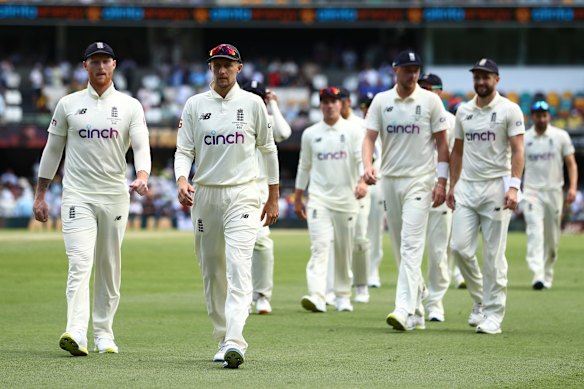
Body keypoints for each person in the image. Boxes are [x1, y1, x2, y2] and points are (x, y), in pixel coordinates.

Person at [32, 42, 151, 356]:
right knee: (79, 263)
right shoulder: (68, 104)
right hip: (77, 196)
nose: (100, 67)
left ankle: (103, 334)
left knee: (108, 267)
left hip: (114, 195)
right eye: (94, 62)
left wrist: (142, 175)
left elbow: (140, 144)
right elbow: (52, 151)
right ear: (84, 66)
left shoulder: (130, 105)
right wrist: (40, 195)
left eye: (105, 61)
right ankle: (75, 332)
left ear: (114, 65)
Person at [174, 44, 279, 369]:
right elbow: (184, 151)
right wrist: (181, 179)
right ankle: (222, 337)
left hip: (244, 194)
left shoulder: (252, 104)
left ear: (239, 68)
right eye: (217, 65)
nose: (222, 70)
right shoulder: (195, 105)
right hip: (206, 195)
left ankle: (235, 340)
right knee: (213, 270)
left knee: (238, 265)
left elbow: (268, 148)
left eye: (228, 65)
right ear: (211, 68)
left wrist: (273, 196)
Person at [362, 50, 450, 331]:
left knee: (412, 244)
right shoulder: (381, 101)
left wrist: (441, 180)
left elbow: (443, 145)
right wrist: (367, 166)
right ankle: (418, 304)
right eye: (407, 69)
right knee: (400, 247)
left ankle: (403, 308)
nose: (412, 74)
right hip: (390, 180)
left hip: (420, 181)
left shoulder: (430, 101)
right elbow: (369, 138)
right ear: (394, 70)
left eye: (416, 70)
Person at [447, 58, 525, 335]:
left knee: (493, 255)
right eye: (477, 77)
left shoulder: (509, 109)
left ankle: (493, 315)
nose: (481, 82)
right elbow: (457, 150)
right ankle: (480, 299)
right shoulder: (464, 111)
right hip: (467, 186)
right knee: (458, 248)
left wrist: (514, 186)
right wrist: (451, 185)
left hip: (496, 186)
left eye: (486, 77)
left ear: (497, 80)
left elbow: (518, 150)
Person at [295, 86, 365, 313]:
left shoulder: (353, 131)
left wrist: (363, 181)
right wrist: (298, 197)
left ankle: (343, 294)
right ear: (320, 105)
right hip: (319, 199)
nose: (329, 105)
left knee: (344, 250)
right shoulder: (310, 133)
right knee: (319, 247)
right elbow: (304, 166)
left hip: (346, 198)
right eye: (325, 101)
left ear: (341, 104)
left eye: (333, 101)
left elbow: (360, 159)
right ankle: (317, 295)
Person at [417, 73, 468, 322]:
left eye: (431, 88)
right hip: (411, 189)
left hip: (440, 192)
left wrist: (452, 187)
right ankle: (416, 295)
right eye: (422, 87)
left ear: (440, 92)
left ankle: (435, 302)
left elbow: (459, 157)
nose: (426, 92)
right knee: (409, 250)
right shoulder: (409, 117)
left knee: (438, 252)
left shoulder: (451, 121)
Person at [241, 80, 292, 314]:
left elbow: (284, 132)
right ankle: (242, 295)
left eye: (259, 96)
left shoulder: (268, 121)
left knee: (261, 242)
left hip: (260, 190)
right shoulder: (236, 119)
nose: (255, 100)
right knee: (236, 245)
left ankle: (261, 295)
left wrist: (273, 105)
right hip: (235, 188)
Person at [523, 100, 578, 290]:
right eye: (538, 115)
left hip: (554, 191)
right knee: (534, 232)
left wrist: (572, 188)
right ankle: (537, 273)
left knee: (552, 239)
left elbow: (571, 163)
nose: (541, 118)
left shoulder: (560, 136)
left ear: (549, 116)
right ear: (533, 117)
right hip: (531, 191)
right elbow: (516, 163)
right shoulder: (524, 137)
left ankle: (547, 273)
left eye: (544, 115)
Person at [324, 87, 371, 304]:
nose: (337, 104)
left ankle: (361, 285)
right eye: (334, 100)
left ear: (348, 102)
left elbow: (372, 157)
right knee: (332, 241)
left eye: (341, 100)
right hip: (334, 193)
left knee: (359, 240)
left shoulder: (361, 125)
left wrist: (363, 182)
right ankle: (332, 289)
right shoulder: (325, 127)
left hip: (359, 190)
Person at [359, 92, 386, 288]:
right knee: (358, 230)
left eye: (371, 107)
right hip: (355, 185)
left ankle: (373, 271)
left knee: (375, 229)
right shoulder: (355, 126)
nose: (368, 110)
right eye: (365, 107)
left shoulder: (384, 129)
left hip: (378, 183)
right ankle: (358, 271)